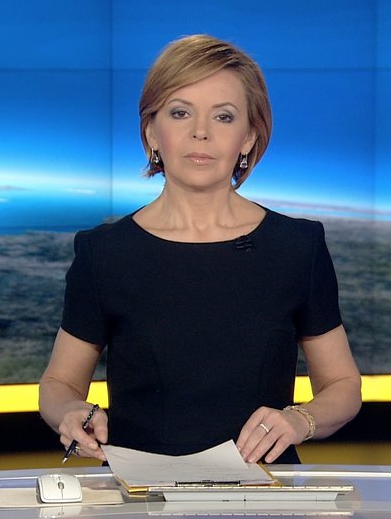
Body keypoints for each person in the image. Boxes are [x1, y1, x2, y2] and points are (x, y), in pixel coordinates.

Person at [39, 34, 361, 465]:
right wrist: (71, 412)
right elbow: (58, 385)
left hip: (265, 493)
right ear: (151, 132)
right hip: (141, 490)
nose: (201, 132)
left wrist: (300, 419)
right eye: (180, 112)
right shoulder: (104, 254)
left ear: (249, 137)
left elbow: (343, 386)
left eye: (223, 116)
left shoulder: (298, 246)